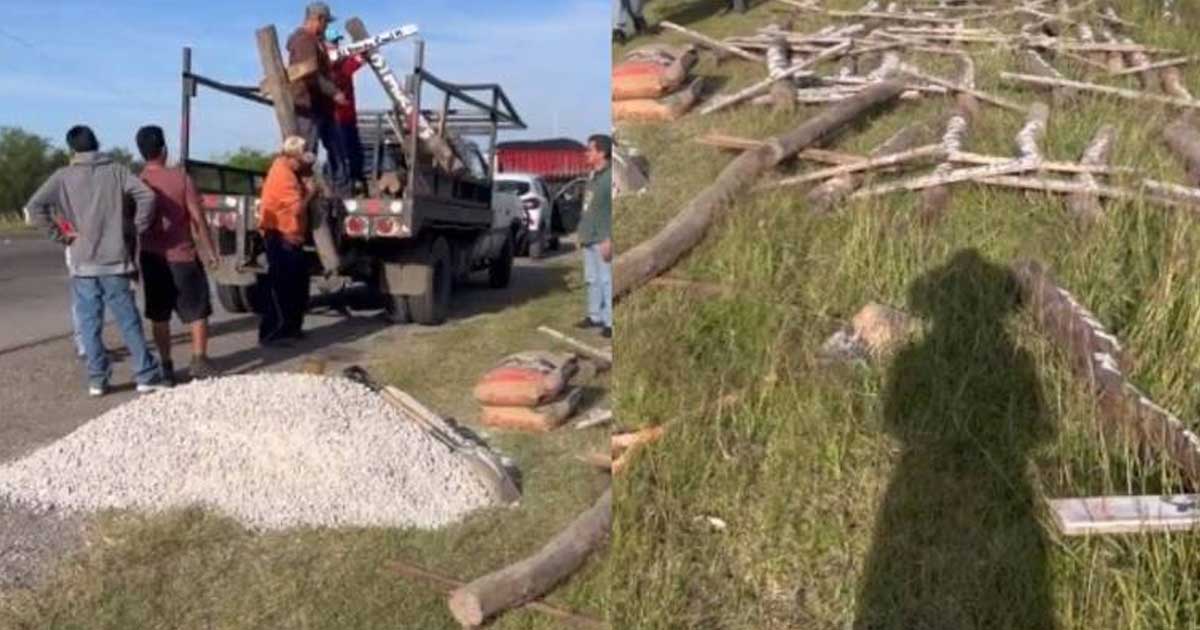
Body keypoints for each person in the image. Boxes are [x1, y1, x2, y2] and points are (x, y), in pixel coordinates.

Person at [23, 125, 166, 396]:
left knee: (89, 324)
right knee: (128, 320)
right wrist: (137, 225)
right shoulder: (117, 170)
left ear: (72, 149)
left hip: (82, 261)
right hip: (115, 259)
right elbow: (146, 196)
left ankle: (97, 380)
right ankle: (146, 375)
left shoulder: (63, 176)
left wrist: (62, 236)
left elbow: (35, 206)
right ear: (97, 143)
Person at [134, 125, 221, 384]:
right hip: (183, 256)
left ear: (142, 152)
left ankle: (166, 366)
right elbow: (198, 217)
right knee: (197, 311)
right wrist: (209, 250)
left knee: (159, 314)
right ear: (164, 149)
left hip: (151, 258)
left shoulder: (138, 182)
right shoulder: (181, 177)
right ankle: (199, 360)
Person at [287, 1, 352, 198]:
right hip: (309, 106)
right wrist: (334, 92)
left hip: (319, 106)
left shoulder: (312, 41)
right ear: (318, 19)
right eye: (325, 23)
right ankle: (302, 193)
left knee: (335, 150)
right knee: (307, 152)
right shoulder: (304, 41)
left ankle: (339, 193)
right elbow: (310, 74)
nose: (326, 27)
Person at [257, 136, 318, 346]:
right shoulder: (283, 175)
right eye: (302, 160)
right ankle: (272, 333)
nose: (303, 165)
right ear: (292, 157)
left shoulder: (289, 170)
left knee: (298, 285)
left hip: (291, 237)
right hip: (281, 237)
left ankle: (291, 328)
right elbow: (297, 208)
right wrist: (310, 193)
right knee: (281, 287)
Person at [576, 134, 613, 339]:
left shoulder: (609, 179)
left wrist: (609, 238)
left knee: (606, 279)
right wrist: (581, 231)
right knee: (591, 279)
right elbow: (587, 206)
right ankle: (594, 315)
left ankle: (609, 321)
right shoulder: (592, 176)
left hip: (602, 237)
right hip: (589, 236)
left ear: (602, 153)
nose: (586, 153)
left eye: (590, 150)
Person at [326, 31, 366, 194]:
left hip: (346, 116)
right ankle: (340, 185)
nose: (336, 44)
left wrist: (362, 48)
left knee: (352, 151)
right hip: (336, 118)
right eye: (333, 42)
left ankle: (353, 181)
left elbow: (358, 60)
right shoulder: (328, 65)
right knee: (340, 154)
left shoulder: (340, 62)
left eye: (337, 41)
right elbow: (355, 62)